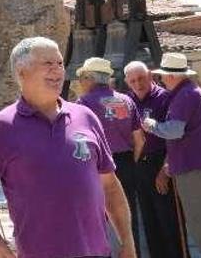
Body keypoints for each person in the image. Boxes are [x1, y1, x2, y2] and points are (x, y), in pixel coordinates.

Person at [0, 37, 136, 258]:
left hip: (97, 252)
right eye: (48, 64)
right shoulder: (1, 127)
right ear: (22, 72)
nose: (58, 70)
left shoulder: (85, 116)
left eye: (59, 63)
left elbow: (110, 186)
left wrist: (127, 241)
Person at [141, 52, 201, 257]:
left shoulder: (186, 95)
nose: (161, 80)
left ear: (170, 76)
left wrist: (152, 125)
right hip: (197, 166)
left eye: (162, 76)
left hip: (195, 168)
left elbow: (175, 130)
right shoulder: (188, 92)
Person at [75, 57, 145, 257]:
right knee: (127, 216)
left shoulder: (84, 104)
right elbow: (139, 140)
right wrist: (132, 162)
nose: (80, 82)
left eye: (81, 77)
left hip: (98, 168)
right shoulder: (127, 100)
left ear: (90, 78)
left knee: (100, 217)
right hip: (126, 163)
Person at [123, 61, 188, 258]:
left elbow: (177, 138)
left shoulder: (166, 98)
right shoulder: (127, 102)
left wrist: (165, 169)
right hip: (139, 166)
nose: (138, 84)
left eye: (141, 78)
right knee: (149, 221)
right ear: (127, 82)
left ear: (150, 75)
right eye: (132, 81)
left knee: (169, 222)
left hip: (161, 163)